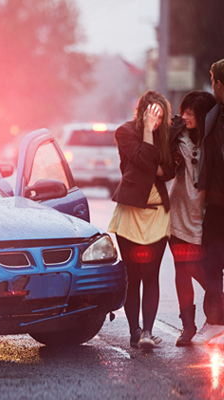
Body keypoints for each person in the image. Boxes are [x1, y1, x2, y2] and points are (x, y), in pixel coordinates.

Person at [108, 90, 174, 349]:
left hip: (158, 214)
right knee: (132, 275)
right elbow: (145, 160)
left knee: (152, 275)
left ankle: (147, 332)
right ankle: (134, 332)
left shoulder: (166, 137)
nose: (156, 121)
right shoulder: (124, 132)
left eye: (160, 116)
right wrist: (147, 132)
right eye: (152, 114)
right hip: (131, 213)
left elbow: (169, 169)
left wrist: (154, 163)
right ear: (143, 111)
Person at [168, 90, 216, 346]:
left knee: (203, 270)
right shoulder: (178, 136)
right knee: (181, 270)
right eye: (183, 110)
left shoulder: (213, 140)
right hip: (178, 213)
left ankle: (216, 313)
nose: (185, 116)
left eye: (191, 113)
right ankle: (188, 325)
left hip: (205, 216)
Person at [192, 59, 224, 344]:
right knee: (208, 262)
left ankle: (216, 320)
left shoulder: (220, 119)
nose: (212, 86)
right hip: (215, 205)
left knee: (209, 263)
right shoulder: (216, 115)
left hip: (218, 205)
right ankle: (216, 318)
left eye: (214, 81)